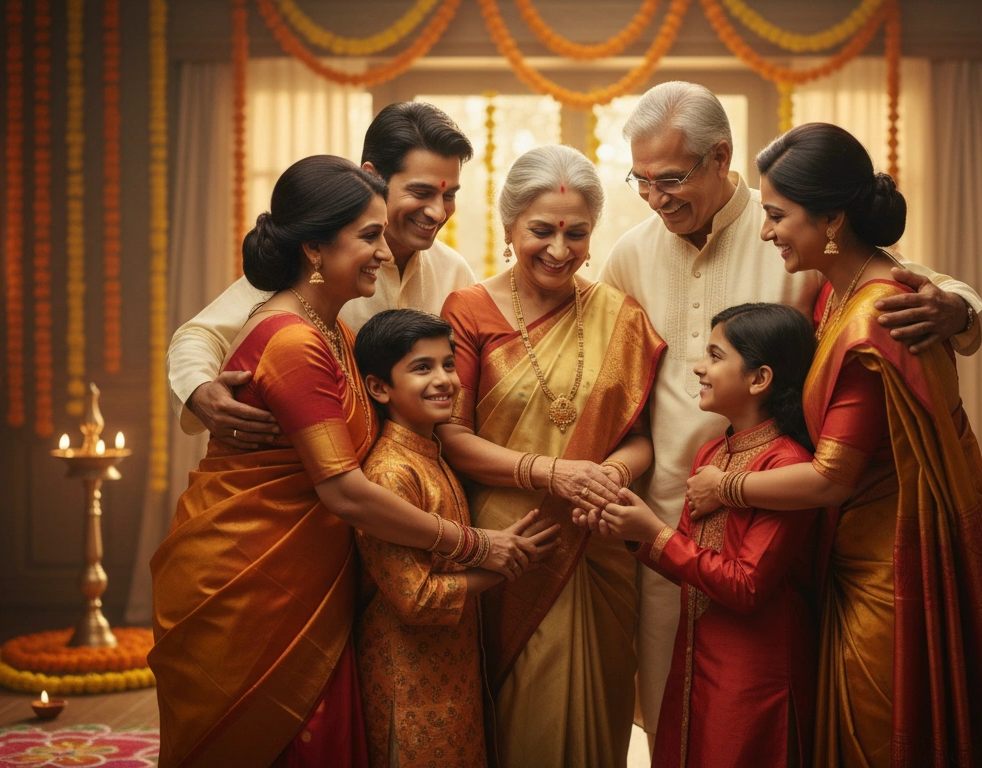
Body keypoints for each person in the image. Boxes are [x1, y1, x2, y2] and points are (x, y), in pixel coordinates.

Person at [596, 80, 982, 739]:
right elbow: (609, 378)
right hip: (668, 513)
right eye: (639, 179)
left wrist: (959, 308)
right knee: (674, 702)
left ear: (719, 156)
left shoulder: (788, 228)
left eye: (669, 178)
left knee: (763, 710)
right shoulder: (631, 253)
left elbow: (890, 280)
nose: (655, 198)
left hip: (774, 523)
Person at [149, 157, 552, 768]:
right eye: (369, 238)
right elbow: (345, 493)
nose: (384, 255)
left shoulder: (326, 326)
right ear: (314, 248)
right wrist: (475, 545)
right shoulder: (294, 340)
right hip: (252, 583)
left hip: (305, 578)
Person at [684, 123, 982, 767]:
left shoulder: (878, 315)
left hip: (895, 568)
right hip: (853, 554)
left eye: (778, 216)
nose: (765, 232)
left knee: (880, 737)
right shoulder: (835, 289)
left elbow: (831, 480)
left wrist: (720, 484)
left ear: (832, 220)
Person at [437, 144, 666, 768]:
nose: (559, 249)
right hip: (514, 539)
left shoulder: (620, 315)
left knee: (601, 708)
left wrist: (610, 474)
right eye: (542, 230)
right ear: (509, 227)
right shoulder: (468, 311)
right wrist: (552, 473)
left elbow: (643, 435)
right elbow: (450, 438)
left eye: (577, 233)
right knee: (523, 713)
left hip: (596, 537)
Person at [167, 101, 477, 451]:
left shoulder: (454, 271)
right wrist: (201, 392)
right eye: (421, 192)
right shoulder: (314, 262)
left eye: (448, 195)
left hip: (415, 476)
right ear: (373, 176)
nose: (438, 211)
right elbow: (199, 336)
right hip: (322, 478)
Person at [594, 303, 823, 768]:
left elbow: (745, 586)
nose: (699, 366)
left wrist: (653, 533)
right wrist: (630, 529)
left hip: (755, 670)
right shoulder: (712, 453)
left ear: (759, 379)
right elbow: (691, 559)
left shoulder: (786, 465)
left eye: (715, 356)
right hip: (697, 655)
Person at [352, 309, 507, 768]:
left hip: (450, 675)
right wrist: (498, 565)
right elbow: (418, 600)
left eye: (447, 363)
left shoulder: (430, 453)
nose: (445, 380)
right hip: (407, 680)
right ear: (379, 388)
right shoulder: (389, 472)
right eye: (422, 368)